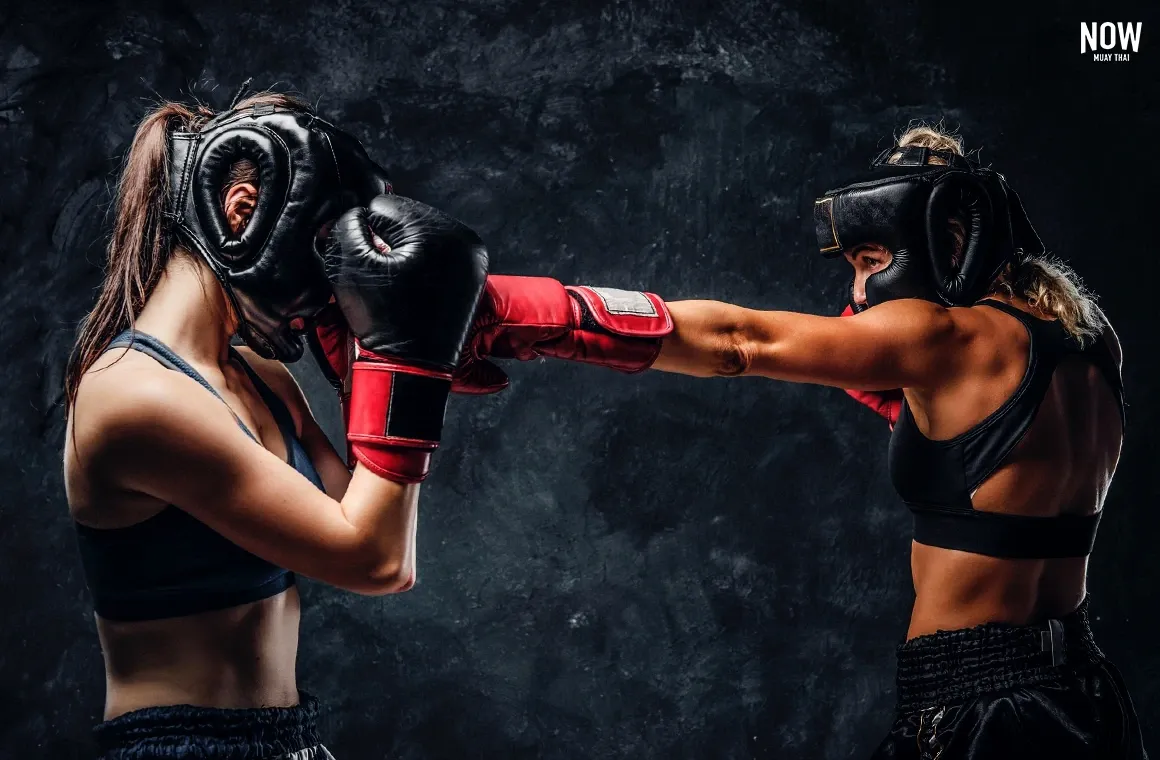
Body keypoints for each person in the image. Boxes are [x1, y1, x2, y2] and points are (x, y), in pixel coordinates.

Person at [454, 126, 1146, 758]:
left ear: (945, 243)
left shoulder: (943, 338)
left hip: (976, 706)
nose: (860, 290)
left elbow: (738, 341)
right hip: (1083, 691)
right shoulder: (1091, 337)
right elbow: (1009, 488)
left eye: (871, 261)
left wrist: (516, 312)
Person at [64, 89, 488, 759]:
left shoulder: (263, 376)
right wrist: (409, 358)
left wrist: (378, 357)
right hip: (186, 747)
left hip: (290, 739)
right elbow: (377, 561)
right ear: (242, 212)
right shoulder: (135, 398)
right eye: (324, 246)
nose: (332, 283)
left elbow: (365, 516)